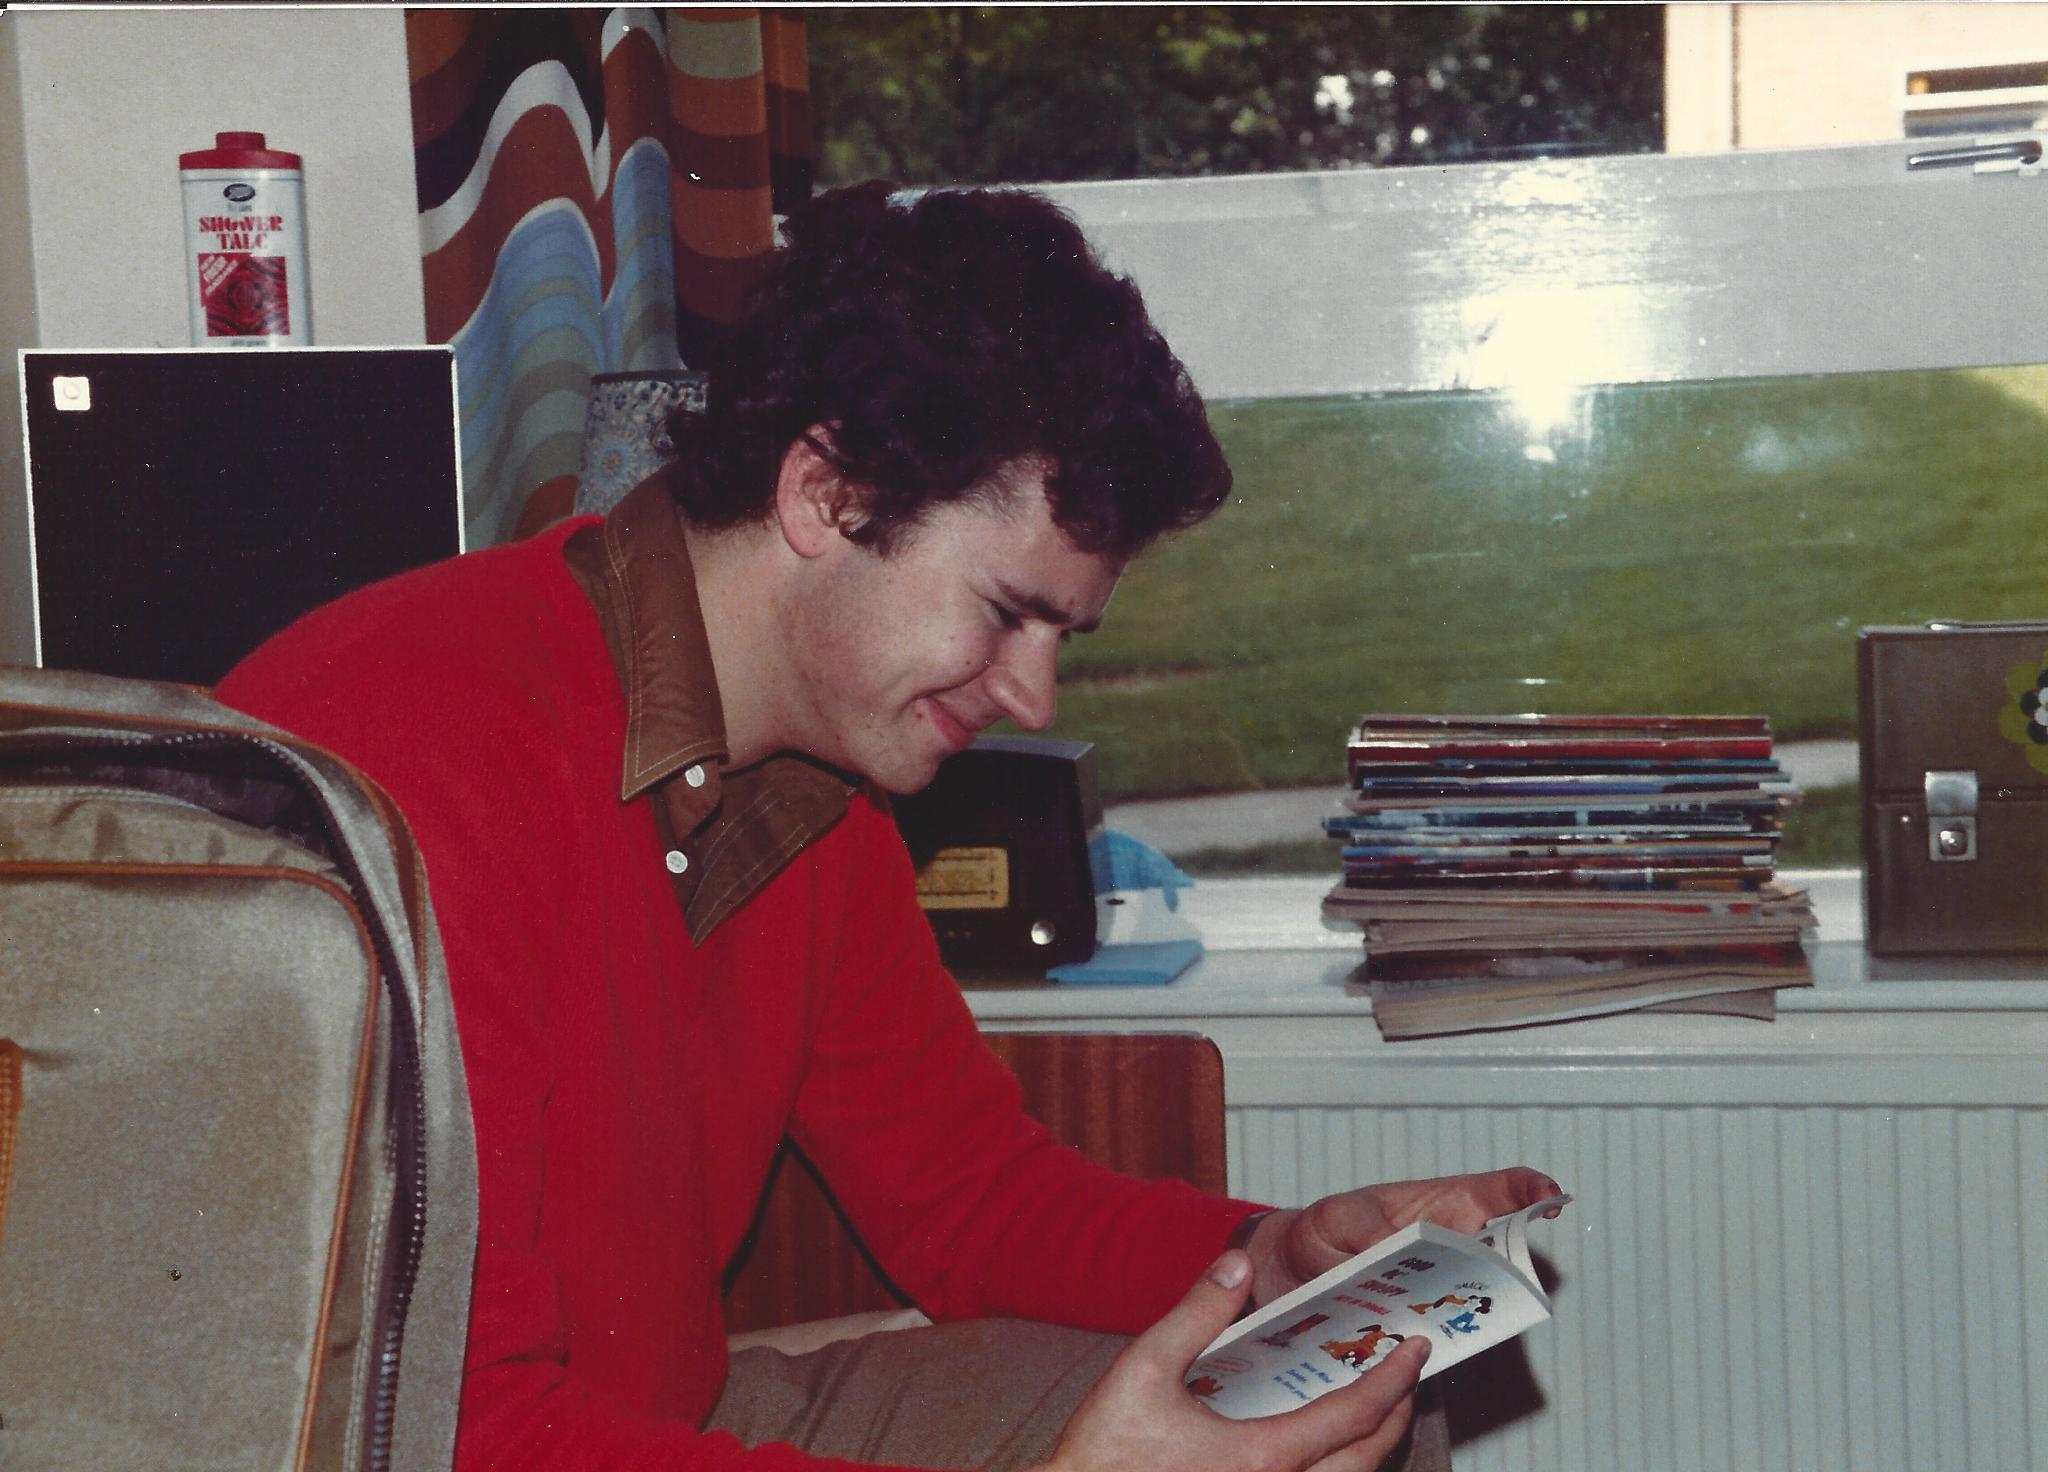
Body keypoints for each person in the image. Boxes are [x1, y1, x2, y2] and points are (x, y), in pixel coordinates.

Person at [218, 181, 1559, 1472]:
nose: (1032, 694)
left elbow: (969, 1203)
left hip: (637, 1423)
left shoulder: (819, 782)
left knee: (1329, 1395)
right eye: (1006, 613)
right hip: (476, 1451)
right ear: (826, 494)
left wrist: (1281, 1258)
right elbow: (453, 1440)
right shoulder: (425, 752)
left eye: (1064, 637)